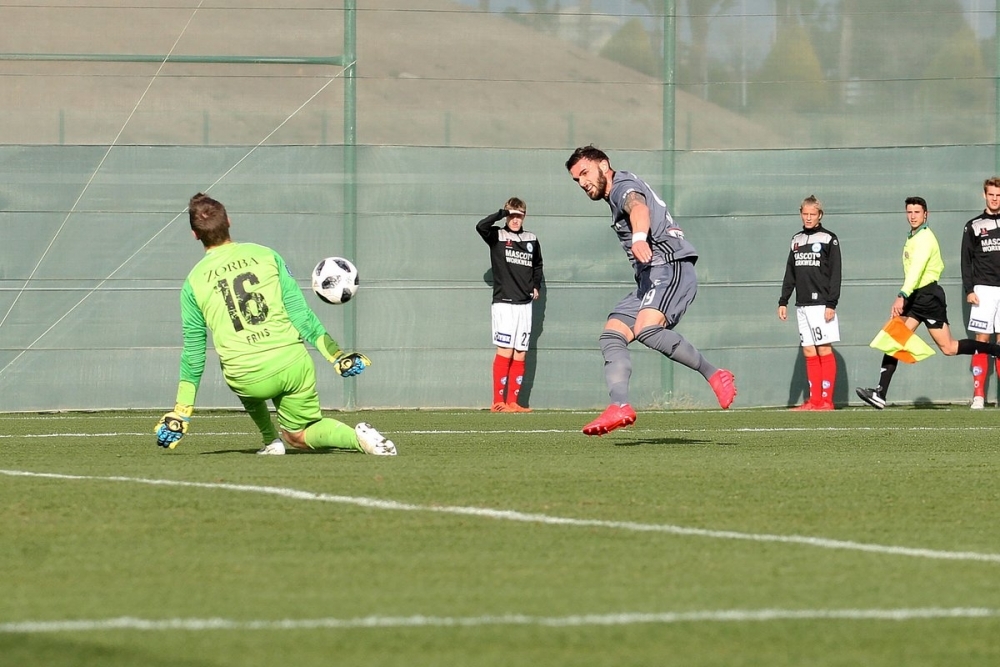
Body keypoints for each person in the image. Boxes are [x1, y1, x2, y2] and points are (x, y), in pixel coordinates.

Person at [155, 193, 397, 456]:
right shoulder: (266, 255)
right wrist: (337, 356)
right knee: (301, 434)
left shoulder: (192, 283)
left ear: (195, 234)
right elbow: (300, 314)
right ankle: (359, 440)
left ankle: (271, 440)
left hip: (247, 376)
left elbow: (193, 354)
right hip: (292, 364)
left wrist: (182, 412)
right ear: (229, 222)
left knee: (234, 364)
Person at [565, 145, 736, 435]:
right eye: (576, 179)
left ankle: (715, 373)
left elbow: (638, 207)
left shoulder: (622, 187)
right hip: (649, 278)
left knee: (646, 328)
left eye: (585, 173)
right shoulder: (618, 188)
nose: (582, 182)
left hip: (670, 266)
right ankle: (619, 405)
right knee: (612, 335)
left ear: (604, 165)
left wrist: (640, 238)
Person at [856, 196, 1000, 409]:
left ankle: (995, 350)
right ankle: (880, 393)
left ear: (926, 214)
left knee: (949, 348)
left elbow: (917, 271)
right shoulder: (913, 237)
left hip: (928, 298)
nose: (913, 216)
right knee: (895, 339)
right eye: (909, 212)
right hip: (917, 296)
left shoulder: (925, 238)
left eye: (917, 212)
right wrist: (908, 296)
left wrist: (902, 295)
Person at [476, 197, 544, 413]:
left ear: (525, 216)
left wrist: (535, 286)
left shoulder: (531, 239)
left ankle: (514, 403)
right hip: (504, 303)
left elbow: (537, 265)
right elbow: (481, 226)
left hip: (525, 304)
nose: (516, 219)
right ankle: (498, 402)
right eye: (512, 215)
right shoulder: (497, 235)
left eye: (519, 215)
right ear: (508, 215)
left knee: (520, 351)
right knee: (505, 349)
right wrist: (502, 212)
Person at [778, 195, 842, 411]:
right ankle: (813, 401)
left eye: (812, 214)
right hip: (802, 305)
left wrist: (831, 304)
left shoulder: (829, 239)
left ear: (819, 215)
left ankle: (826, 400)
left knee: (824, 349)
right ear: (800, 214)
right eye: (805, 214)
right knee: (808, 351)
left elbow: (835, 274)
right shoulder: (795, 240)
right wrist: (783, 300)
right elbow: (790, 273)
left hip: (821, 304)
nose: (808, 218)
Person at [960, 176, 1000, 409]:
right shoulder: (973, 225)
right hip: (983, 289)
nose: (995, 199)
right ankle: (978, 395)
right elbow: (966, 260)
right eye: (991, 195)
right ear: (984, 195)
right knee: (982, 340)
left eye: (998, 195)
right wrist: (969, 289)